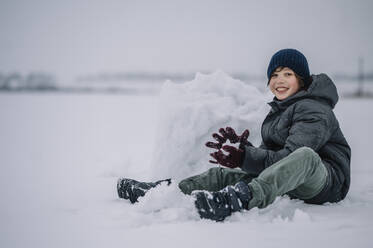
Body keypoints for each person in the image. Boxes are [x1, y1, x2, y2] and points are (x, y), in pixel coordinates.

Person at [117, 48, 351, 221]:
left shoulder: (314, 109)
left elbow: (291, 158)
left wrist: (246, 157)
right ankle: (164, 192)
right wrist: (243, 150)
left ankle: (239, 199)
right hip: (291, 177)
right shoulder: (280, 110)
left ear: (302, 79)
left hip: (325, 183)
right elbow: (275, 158)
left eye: (288, 74)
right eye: (274, 75)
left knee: (306, 155)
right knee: (220, 174)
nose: (279, 80)